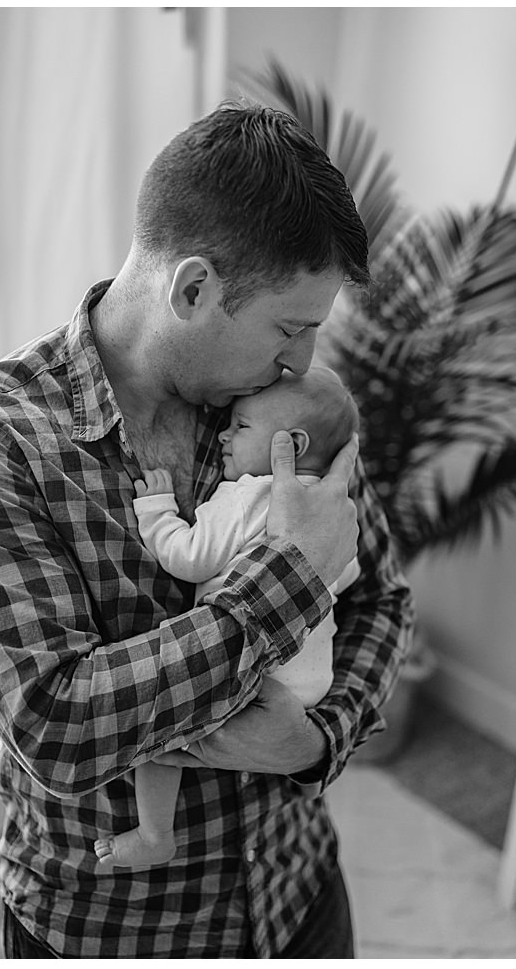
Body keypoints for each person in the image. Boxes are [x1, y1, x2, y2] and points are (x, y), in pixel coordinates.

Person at [0, 103, 414, 958]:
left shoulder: (279, 412)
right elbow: (53, 725)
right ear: (193, 287)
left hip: (299, 895)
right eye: (291, 328)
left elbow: (382, 597)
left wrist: (317, 739)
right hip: (112, 933)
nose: (305, 362)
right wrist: (289, 581)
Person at [95, 366, 364, 869]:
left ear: (293, 444)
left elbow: (188, 556)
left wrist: (156, 508)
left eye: (240, 427)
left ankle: (156, 833)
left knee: (156, 729)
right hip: (309, 686)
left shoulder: (243, 495)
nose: (224, 433)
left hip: (245, 672)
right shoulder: (331, 501)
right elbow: (347, 574)